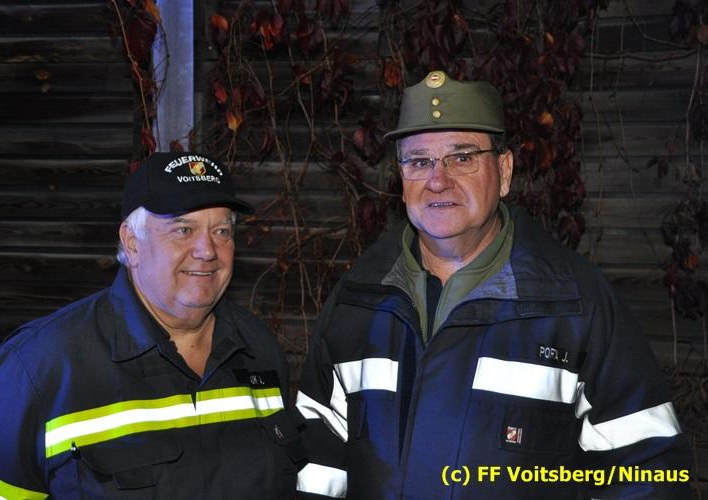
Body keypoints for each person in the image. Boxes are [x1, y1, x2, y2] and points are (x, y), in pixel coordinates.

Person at [295, 71, 693, 499]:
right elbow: (315, 463)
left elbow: (649, 474)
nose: (437, 179)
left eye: (462, 157)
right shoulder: (357, 302)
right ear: (401, 177)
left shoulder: (573, 306)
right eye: (419, 161)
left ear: (504, 171)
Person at [0, 152, 302, 499]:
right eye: (183, 229)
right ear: (132, 242)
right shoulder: (36, 369)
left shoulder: (258, 349)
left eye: (222, 231)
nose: (207, 250)